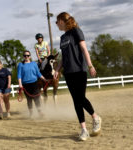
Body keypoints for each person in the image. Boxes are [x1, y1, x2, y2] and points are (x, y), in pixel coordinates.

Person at [54, 12, 102, 141]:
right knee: (76, 101)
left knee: (80, 97)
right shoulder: (63, 37)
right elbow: (63, 57)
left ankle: (95, 118)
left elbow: (84, 49)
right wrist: (57, 69)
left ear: (62, 21)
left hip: (80, 70)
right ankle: (84, 129)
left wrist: (90, 65)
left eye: (56, 21)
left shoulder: (76, 31)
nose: (56, 24)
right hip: (68, 72)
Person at [17, 50, 47, 118]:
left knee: (36, 98)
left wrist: (44, 78)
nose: (26, 57)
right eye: (25, 56)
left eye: (28, 55)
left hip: (34, 83)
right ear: (23, 57)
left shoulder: (34, 63)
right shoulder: (20, 65)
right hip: (25, 85)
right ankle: (31, 113)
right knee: (29, 99)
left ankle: (40, 112)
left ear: (30, 56)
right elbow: (19, 75)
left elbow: (38, 73)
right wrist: (20, 84)